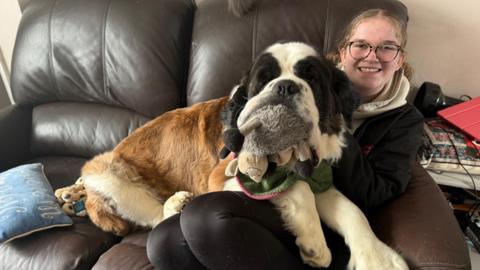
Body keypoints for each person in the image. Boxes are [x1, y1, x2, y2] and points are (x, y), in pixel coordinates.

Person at [146, 8, 423, 270]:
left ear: (400, 58)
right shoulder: (309, 73)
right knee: (163, 242)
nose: (372, 56)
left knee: (205, 218)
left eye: (387, 47)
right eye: (361, 45)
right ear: (343, 52)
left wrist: (331, 121)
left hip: (327, 225)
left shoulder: (403, 121)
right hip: (268, 196)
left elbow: (376, 193)